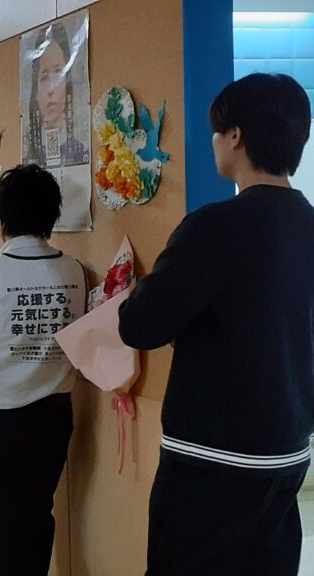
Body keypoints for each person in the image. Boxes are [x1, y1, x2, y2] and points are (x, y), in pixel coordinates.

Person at [119, 74, 313, 576]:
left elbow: (141, 326)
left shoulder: (214, 226)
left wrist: (131, 295)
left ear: (236, 137)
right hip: (288, 455)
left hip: (208, 461)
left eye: (216, 132)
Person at [0, 164, 86, 575]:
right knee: (38, 520)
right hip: (54, 419)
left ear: (3, 217)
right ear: (52, 215)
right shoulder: (74, 271)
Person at [24, 21, 89, 168]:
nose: (51, 89)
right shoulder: (29, 157)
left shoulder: (81, 151)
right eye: (44, 77)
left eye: (59, 73)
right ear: (36, 91)